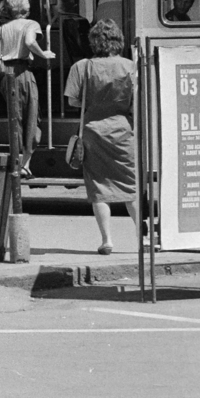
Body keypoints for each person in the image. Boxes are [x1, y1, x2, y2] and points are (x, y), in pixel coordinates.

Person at [64, 19, 140, 254]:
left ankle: (107, 240)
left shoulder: (82, 67)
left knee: (98, 187)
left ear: (93, 41)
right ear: (118, 40)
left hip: (93, 132)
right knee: (131, 186)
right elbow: (136, 101)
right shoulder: (131, 66)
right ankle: (142, 239)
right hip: (122, 130)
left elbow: (73, 100)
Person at [0, 0, 55, 179]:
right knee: (32, 116)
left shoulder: (0, 29)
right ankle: (25, 164)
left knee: (15, 118)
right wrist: (44, 54)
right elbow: (30, 42)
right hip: (23, 73)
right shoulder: (31, 24)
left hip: (4, 76)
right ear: (26, 8)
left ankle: (17, 161)